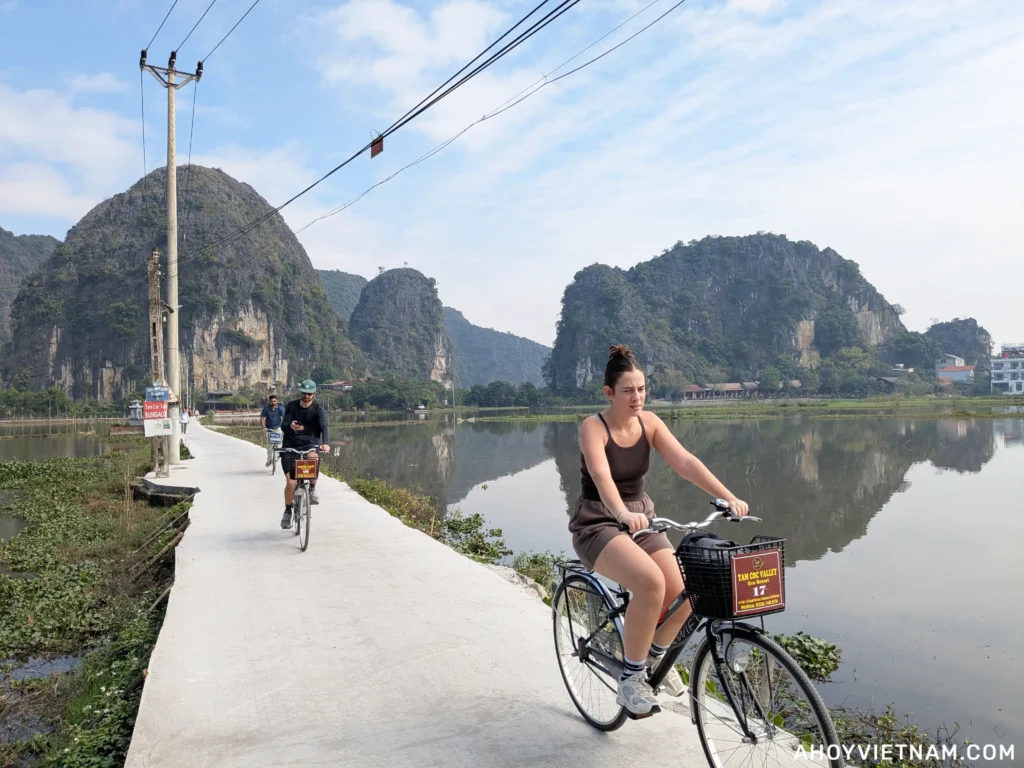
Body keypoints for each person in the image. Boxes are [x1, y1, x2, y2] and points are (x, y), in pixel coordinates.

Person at [568, 344, 750, 717]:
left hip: (641, 518)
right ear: (609, 393)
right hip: (599, 521)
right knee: (651, 583)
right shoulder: (593, 427)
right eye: (628, 391)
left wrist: (728, 497)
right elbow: (602, 476)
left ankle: (651, 658)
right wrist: (619, 511)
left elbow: (685, 461)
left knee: (686, 589)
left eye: (642, 389)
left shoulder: (650, 423)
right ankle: (631, 679)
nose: (637, 398)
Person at [279, 380, 331, 529]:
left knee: (313, 458)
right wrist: (291, 426)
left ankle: (312, 489)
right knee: (291, 482)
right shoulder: (291, 406)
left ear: (314, 394)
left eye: (309, 393)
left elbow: (324, 427)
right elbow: (283, 426)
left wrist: (326, 443)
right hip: (290, 446)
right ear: (301, 393)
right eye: (304, 393)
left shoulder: (318, 410)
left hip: (309, 445)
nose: (306, 396)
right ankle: (288, 511)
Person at [260, 394, 285, 467]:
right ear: (269, 401)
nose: (273, 402)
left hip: (278, 428)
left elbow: (285, 418)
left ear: (276, 401)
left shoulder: (280, 409)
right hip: (269, 429)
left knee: (279, 443)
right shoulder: (266, 409)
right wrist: (264, 427)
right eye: (271, 401)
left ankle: (277, 456)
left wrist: (285, 426)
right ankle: (269, 460)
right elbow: (262, 418)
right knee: (270, 446)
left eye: (274, 401)